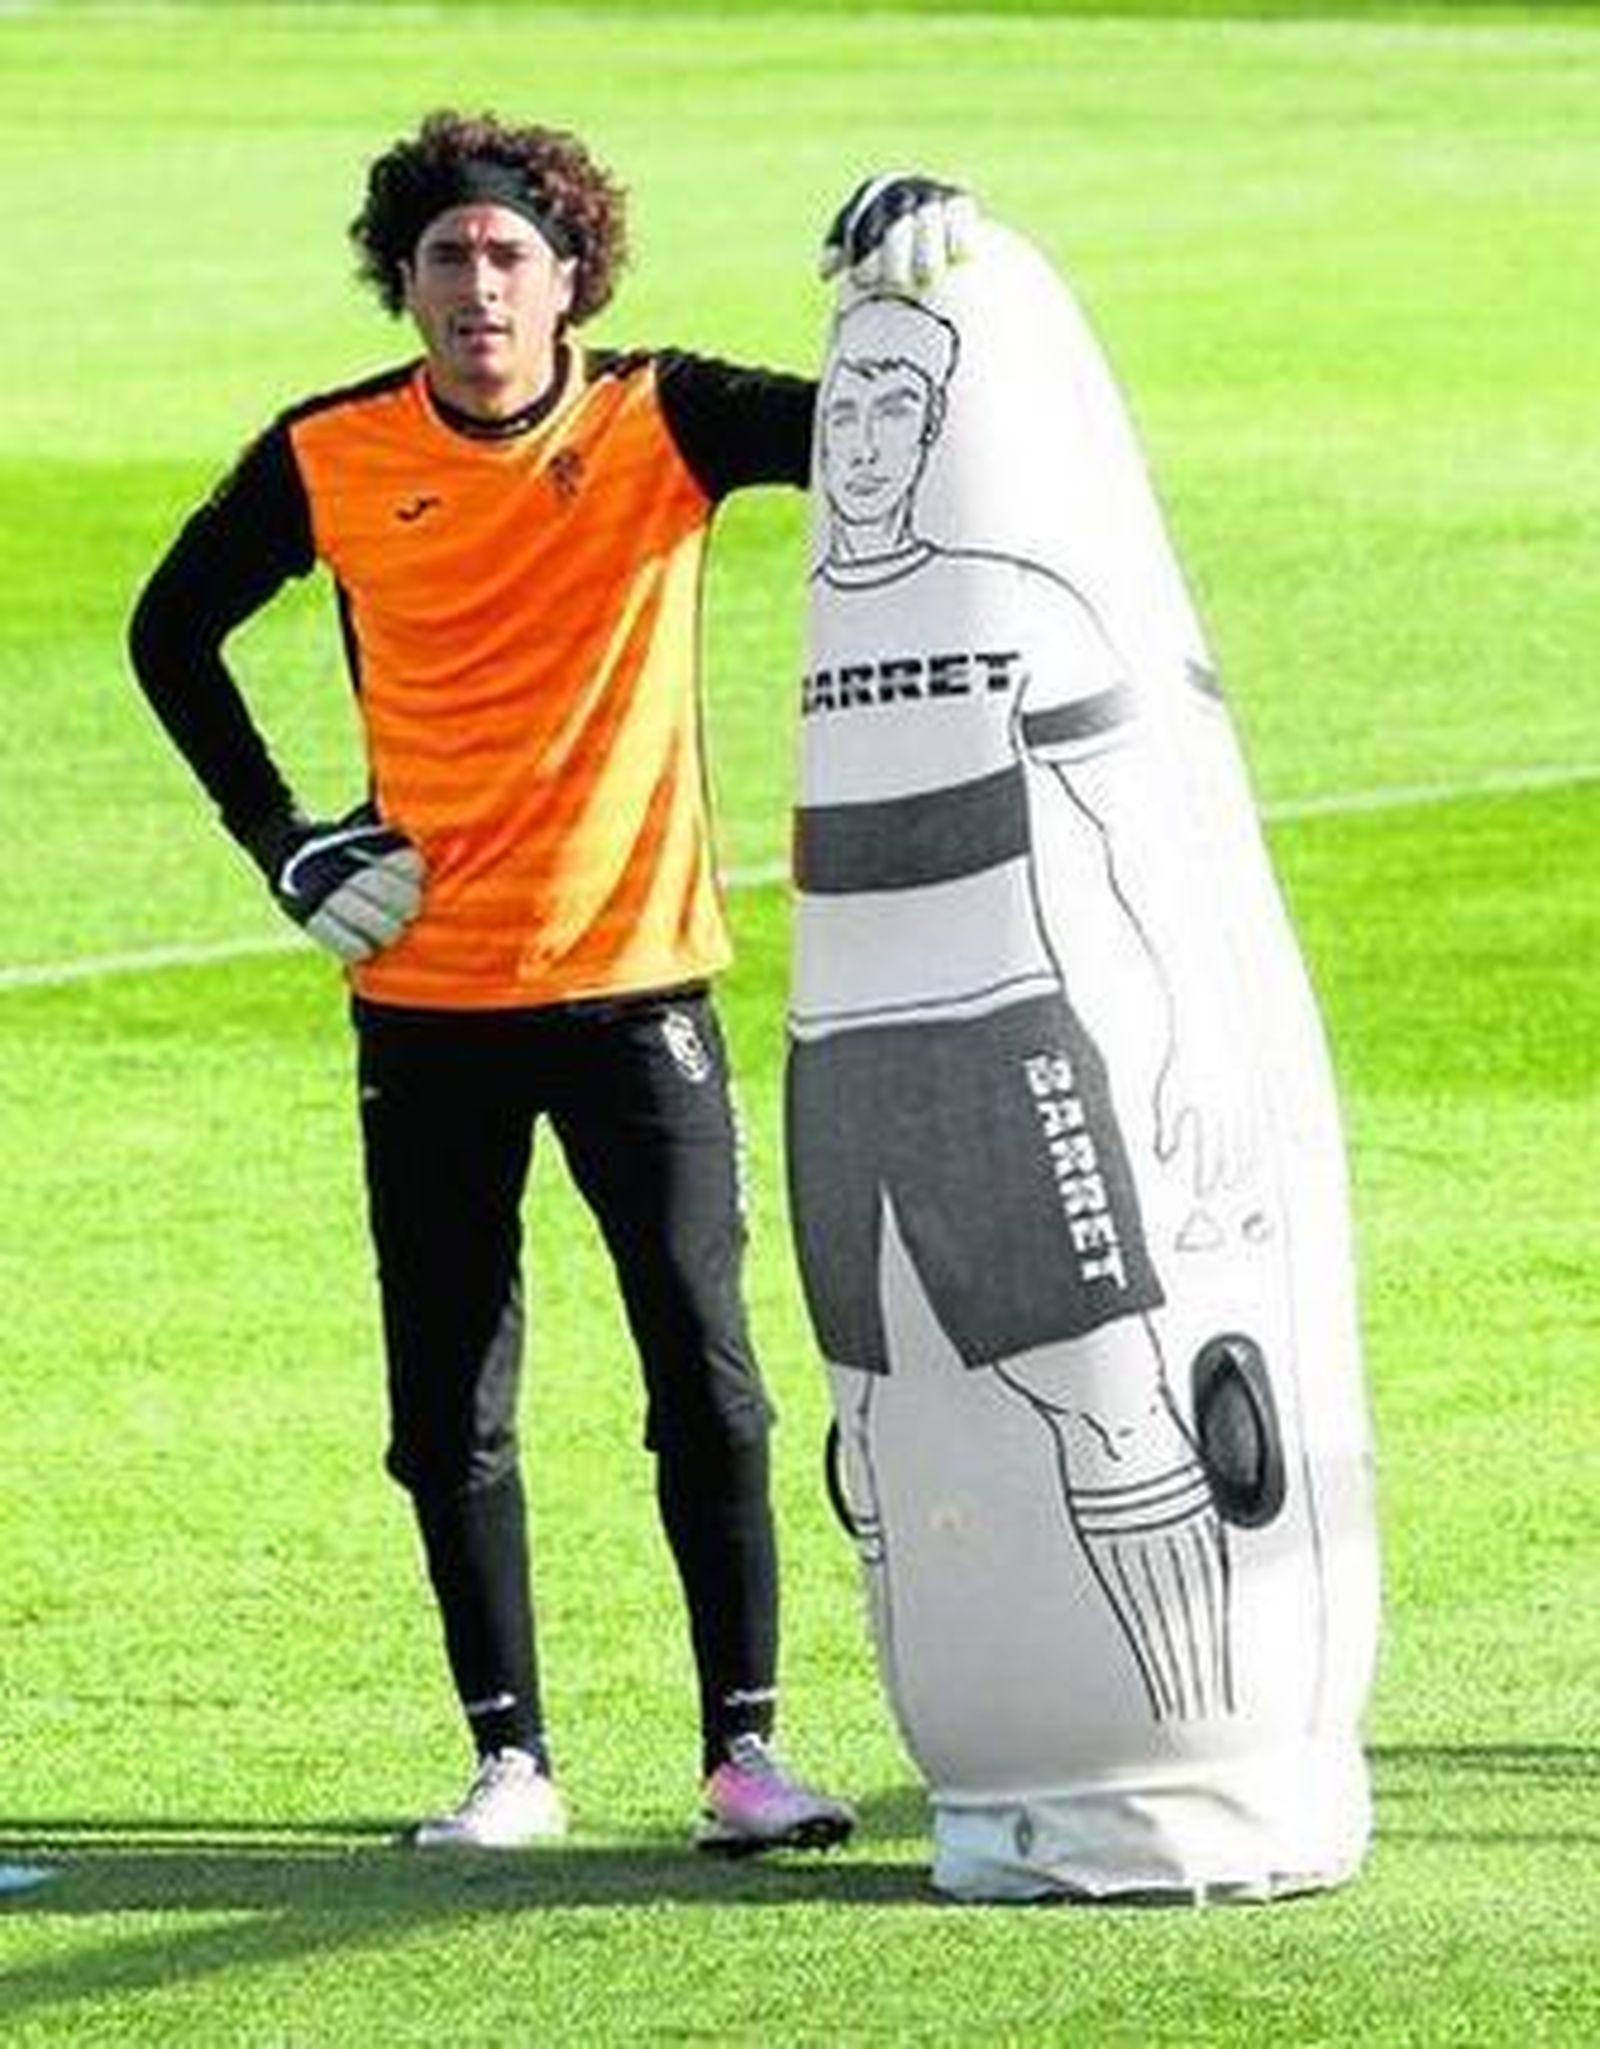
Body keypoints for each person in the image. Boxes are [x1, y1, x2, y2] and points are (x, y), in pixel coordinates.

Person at [127, 111, 972, 1853]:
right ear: (405, 283)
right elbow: (169, 628)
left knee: (707, 1372)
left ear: (573, 274)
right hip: (426, 997)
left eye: (510, 253)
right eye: (446, 256)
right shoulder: (333, 452)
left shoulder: (660, 419)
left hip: (638, 984)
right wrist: (285, 839)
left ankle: (745, 1756)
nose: (478, 284)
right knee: (447, 1398)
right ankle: (510, 1759)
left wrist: (931, 269)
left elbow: (904, 434)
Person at [790, 294, 1249, 1721]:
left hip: (996, 1045)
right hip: (832, 1066)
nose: (863, 442)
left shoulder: (1020, 606)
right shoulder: (812, 627)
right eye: (842, 409)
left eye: (893, 411)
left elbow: (1136, 830)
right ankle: (958, 1743)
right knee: (871, 1431)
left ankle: (1198, 1747)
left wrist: (1195, 1033)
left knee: (1106, 1400)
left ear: (938, 432)